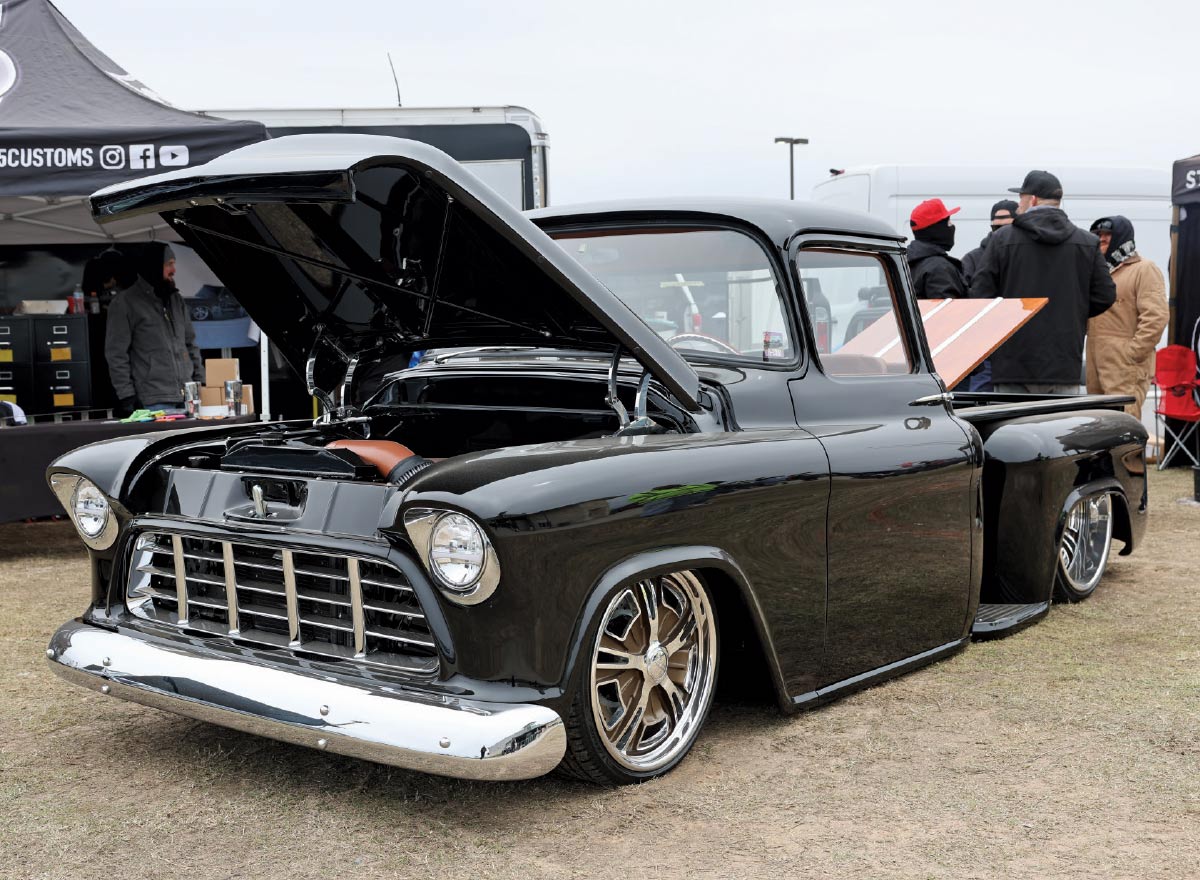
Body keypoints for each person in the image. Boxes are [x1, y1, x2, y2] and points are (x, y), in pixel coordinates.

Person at [969, 170, 1115, 394]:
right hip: (1063, 364)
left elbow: (980, 296)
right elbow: (1105, 295)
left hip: (1012, 364)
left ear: (1032, 199)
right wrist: (1072, 312)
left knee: (1012, 429)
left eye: (1021, 199)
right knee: (1059, 428)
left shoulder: (1002, 240)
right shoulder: (1086, 242)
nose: (1018, 206)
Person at [105, 243, 203, 415]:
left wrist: (200, 381)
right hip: (153, 400)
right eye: (169, 264)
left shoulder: (175, 299)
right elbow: (116, 354)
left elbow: (190, 343)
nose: (174, 270)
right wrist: (126, 395)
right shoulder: (125, 303)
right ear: (153, 265)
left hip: (188, 398)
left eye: (174, 264)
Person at [1084, 216, 1168, 416]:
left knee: (1124, 426)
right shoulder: (1098, 273)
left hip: (1126, 367)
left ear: (1121, 237)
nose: (1101, 239)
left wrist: (1132, 354)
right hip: (1096, 363)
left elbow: (1156, 317)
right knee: (1098, 427)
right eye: (1098, 235)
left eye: (1107, 234)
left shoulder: (1144, 269)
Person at [906, 198, 967, 299]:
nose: (952, 227)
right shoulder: (939, 268)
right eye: (948, 223)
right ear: (937, 229)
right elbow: (946, 311)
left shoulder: (906, 262)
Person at [961, 199, 1018, 287]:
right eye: (997, 227)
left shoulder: (1025, 254)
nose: (1002, 233)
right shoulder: (973, 258)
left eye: (1007, 228)